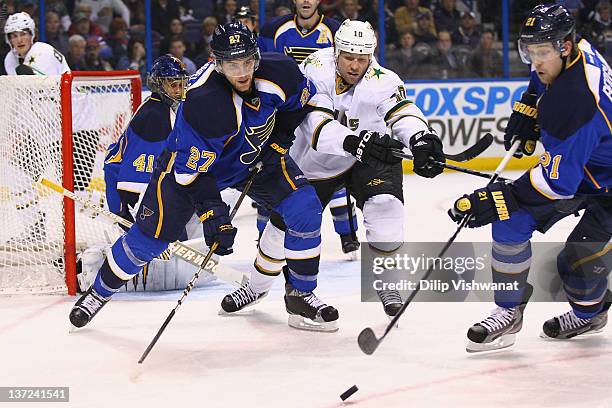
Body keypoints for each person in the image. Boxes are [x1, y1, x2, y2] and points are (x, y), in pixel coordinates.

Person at [69, 21, 340, 333]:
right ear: (216, 62)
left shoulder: (280, 70)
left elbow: (305, 102)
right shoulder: (203, 101)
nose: (242, 72)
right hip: (189, 171)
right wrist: (213, 213)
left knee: (304, 207)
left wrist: (280, 137)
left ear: (257, 56)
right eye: (232, 64)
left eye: (248, 61)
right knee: (148, 242)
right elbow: (192, 174)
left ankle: (301, 294)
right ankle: (99, 294)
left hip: (255, 158)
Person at [221, 20, 446, 319]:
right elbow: (317, 127)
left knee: (386, 207)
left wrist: (420, 138)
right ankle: (257, 286)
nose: (355, 66)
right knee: (281, 229)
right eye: (349, 57)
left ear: (371, 56)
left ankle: (386, 281)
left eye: (362, 59)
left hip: (370, 155)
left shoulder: (383, 79)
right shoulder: (316, 67)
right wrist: (355, 142)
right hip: (316, 160)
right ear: (336, 51)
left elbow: (401, 112)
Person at [449, 4, 612, 352]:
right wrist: (529, 103)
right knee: (510, 220)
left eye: (541, 53)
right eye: (529, 51)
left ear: (564, 47)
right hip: (587, 166)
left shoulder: (578, 100)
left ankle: (590, 313)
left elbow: (557, 184)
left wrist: (504, 193)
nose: (535, 62)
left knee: (577, 261)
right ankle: (508, 312)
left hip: (603, 182)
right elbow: (541, 74)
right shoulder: (570, 51)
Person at [258, 2, 360, 258]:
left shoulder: (336, 30)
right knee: (274, 177)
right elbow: (260, 67)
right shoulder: (274, 28)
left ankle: (347, 235)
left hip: (324, 110)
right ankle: (266, 240)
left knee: (333, 172)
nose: (306, 1)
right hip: (285, 112)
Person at [4, 12, 69, 74]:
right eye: (14, 36)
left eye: (23, 34)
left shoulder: (43, 51)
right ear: (9, 40)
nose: (19, 40)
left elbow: (50, 84)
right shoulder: (10, 59)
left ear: (32, 35)